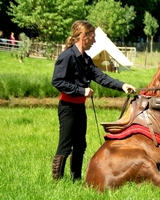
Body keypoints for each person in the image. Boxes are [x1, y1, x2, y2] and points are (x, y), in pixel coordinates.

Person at [51, 20, 136, 181]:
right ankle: (57, 181)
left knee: (80, 144)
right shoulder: (67, 56)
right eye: (92, 37)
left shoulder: (86, 58)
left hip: (79, 107)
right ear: (84, 36)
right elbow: (57, 81)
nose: (95, 40)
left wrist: (122, 85)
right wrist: (81, 90)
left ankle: (76, 178)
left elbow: (101, 77)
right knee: (65, 145)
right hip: (67, 108)